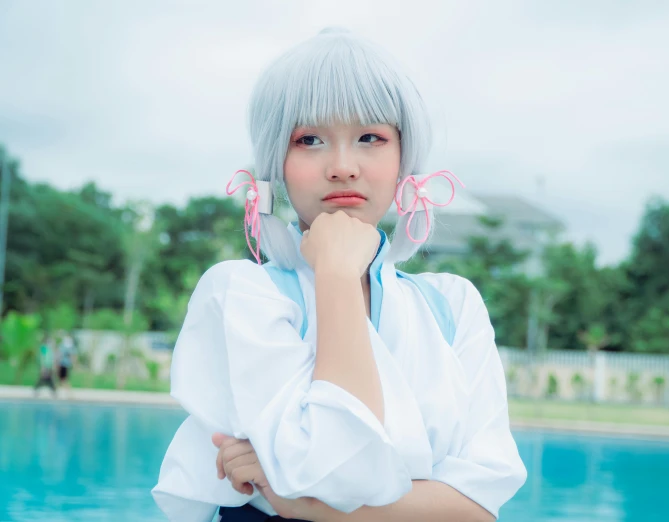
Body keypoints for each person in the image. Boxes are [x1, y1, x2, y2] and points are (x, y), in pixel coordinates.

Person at [152, 27, 526, 522]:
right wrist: (334, 273)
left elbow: (479, 506)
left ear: (403, 158)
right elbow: (338, 472)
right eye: (309, 139)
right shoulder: (242, 294)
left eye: (371, 137)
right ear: (276, 164)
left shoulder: (452, 306)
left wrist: (298, 502)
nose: (343, 166)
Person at [57, 331, 76, 395]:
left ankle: (69, 392)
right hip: (66, 365)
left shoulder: (63, 346)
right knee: (62, 379)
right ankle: (59, 392)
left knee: (63, 379)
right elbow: (73, 357)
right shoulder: (70, 347)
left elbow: (59, 355)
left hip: (63, 364)